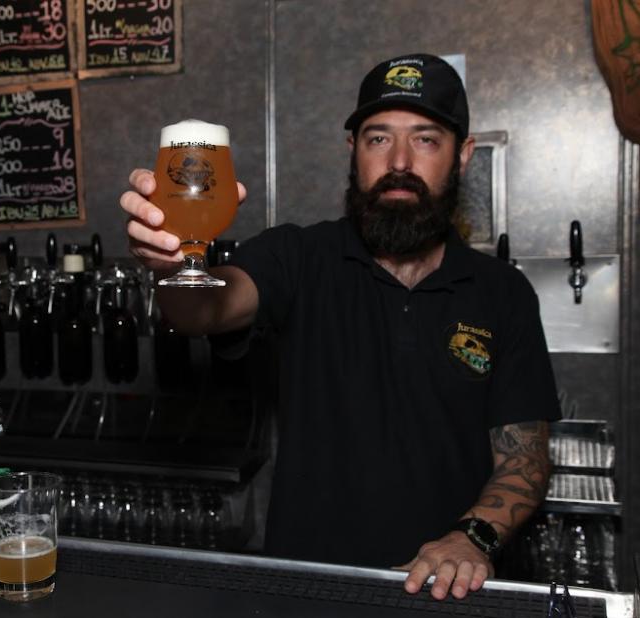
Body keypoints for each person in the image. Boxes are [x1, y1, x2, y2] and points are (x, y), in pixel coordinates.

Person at [120, 53, 560, 601]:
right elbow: (202, 310)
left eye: (425, 139)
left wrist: (470, 539)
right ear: (353, 152)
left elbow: (524, 457)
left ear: (462, 155)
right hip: (307, 594)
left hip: (446, 597)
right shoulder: (299, 258)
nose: (399, 161)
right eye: (378, 139)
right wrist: (174, 263)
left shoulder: (503, 294)